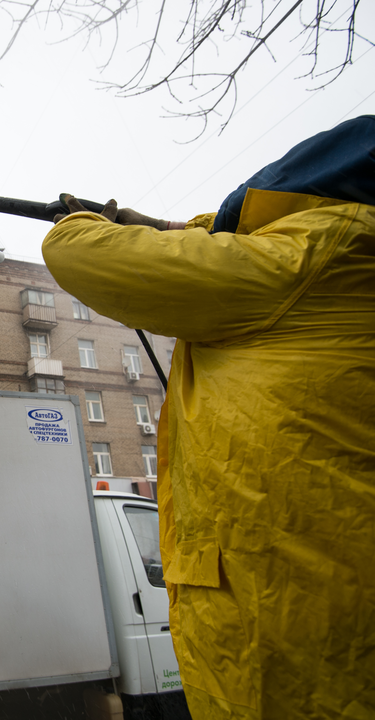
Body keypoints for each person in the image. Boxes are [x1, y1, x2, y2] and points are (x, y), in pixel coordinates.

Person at [42, 117, 375, 720]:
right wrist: (168, 225)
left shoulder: (307, 255)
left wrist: (82, 221)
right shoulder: (346, 258)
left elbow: (73, 253)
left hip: (287, 632)